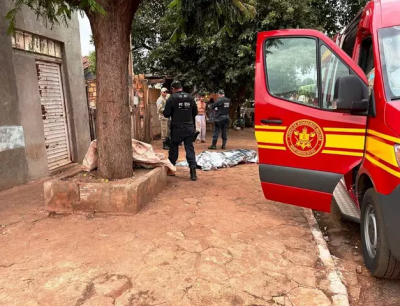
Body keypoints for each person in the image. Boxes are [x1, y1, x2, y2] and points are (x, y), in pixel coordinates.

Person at [163, 81, 198, 181]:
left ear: (173, 89)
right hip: (189, 127)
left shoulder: (172, 98)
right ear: (181, 88)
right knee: (189, 148)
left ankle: (171, 169)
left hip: (177, 127)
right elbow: (195, 112)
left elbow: (166, 114)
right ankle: (193, 172)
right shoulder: (190, 97)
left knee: (174, 148)